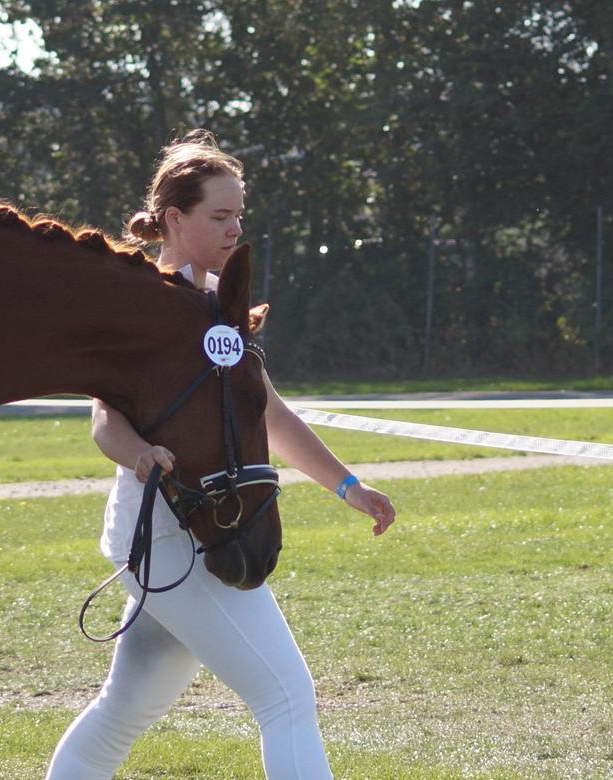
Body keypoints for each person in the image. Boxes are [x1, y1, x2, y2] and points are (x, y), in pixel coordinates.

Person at [46, 130, 396, 780]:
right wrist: (141, 453)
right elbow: (103, 420)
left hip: (180, 535)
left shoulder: (217, 306)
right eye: (220, 215)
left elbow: (274, 416)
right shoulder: (143, 307)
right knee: (286, 695)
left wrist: (348, 486)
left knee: (124, 709)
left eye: (240, 215)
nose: (236, 228)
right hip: (171, 535)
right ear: (174, 218)